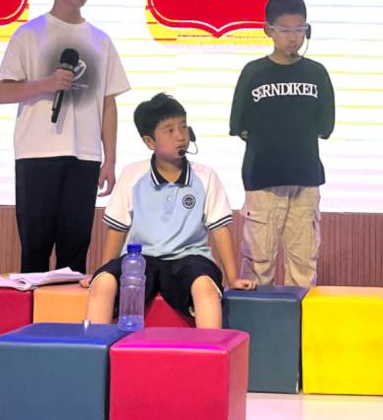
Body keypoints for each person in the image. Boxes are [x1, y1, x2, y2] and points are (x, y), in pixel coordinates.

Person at [0, 0, 130, 273]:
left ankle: (68, 308)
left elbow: (108, 103)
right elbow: (3, 92)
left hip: (85, 157)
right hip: (36, 154)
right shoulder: (29, 34)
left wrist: (110, 159)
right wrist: (46, 83)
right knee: (35, 247)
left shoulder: (100, 41)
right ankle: (34, 307)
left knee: (75, 249)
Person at [83, 93, 255, 327]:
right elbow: (117, 229)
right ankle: (97, 349)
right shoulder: (132, 174)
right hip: (140, 260)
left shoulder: (206, 176)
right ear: (149, 142)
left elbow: (220, 230)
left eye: (183, 126)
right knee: (103, 283)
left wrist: (233, 278)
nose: (180, 136)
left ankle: (210, 350)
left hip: (190, 258)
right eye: (170, 130)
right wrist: (103, 270)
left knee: (204, 287)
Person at [229, 0, 335, 287]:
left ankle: (298, 317)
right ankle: (254, 316)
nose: (293, 37)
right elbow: (240, 125)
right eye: (285, 30)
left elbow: (324, 126)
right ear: (268, 30)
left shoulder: (316, 73)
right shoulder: (254, 73)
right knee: (258, 262)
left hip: (305, 179)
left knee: (303, 262)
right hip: (263, 179)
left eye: (299, 29)